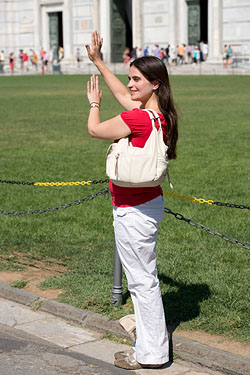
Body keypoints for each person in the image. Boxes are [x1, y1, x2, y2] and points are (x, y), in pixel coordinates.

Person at [85, 31, 178, 371]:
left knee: (142, 283)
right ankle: (147, 346)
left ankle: (151, 355)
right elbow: (126, 96)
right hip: (149, 205)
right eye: (130, 77)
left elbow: (95, 130)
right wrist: (98, 61)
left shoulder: (138, 118)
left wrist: (94, 104)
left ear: (155, 84)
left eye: (137, 79)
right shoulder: (160, 116)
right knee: (144, 280)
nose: (131, 84)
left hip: (132, 212)